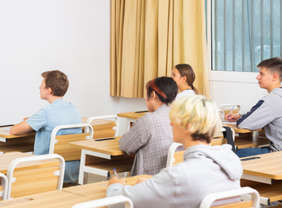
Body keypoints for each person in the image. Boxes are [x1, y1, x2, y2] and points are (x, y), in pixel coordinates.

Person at [107, 95, 242, 208]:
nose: (171, 124)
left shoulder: (179, 175)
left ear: (188, 126)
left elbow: (119, 202)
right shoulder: (229, 160)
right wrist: (156, 182)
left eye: (174, 119)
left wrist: (114, 185)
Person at [9, 70, 81, 183]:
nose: (39, 88)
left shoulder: (46, 112)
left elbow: (14, 131)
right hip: (72, 173)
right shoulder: (74, 109)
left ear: (49, 90)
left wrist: (31, 120)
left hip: (49, 172)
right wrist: (33, 120)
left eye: (42, 86)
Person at [119, 77, 177, 175]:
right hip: (172, 179)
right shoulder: (180, 116)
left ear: (153, 95)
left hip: (148, 179)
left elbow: (125, 145)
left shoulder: (148, 120)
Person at [226, 57, 282, 157]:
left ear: (274, 77)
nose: (257, 77)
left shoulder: (272, 100)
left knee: (229, 154)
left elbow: (244, 124)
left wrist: (241, 118)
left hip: (277, 154)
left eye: (262, 74)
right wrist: (241, 115)